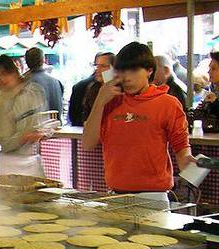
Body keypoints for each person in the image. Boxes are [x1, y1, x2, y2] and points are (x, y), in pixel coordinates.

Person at [82, 42, 194, 203]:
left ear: (149, 70)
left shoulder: (168, 103)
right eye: (122, 71)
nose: (127, 77)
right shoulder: (110, 102)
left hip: (153, 196)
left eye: (134, 70)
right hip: (115, 195)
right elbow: (87, 144)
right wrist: (100, 100)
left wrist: (190, 164)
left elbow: (182, 149)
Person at [0, 54, 47, 176]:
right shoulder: (0, 103)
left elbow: (43, 122)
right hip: (8, 164)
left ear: (15, 73)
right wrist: (23, 138)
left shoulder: (33, 91)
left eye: (5, 74)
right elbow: (2, 143)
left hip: (32, 162)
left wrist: (43, 132)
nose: (2, 80)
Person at [24, 47, 63, 120]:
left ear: (26, 62)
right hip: (56, 127)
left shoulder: (24, 82)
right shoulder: (56, 81)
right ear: (43, 60)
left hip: (36, 128)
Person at [80, 52, 117, 126]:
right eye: (96, 66)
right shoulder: (93, 88)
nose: (98, 70)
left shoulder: (121, 90)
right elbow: (86, 114)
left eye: (103, 66)